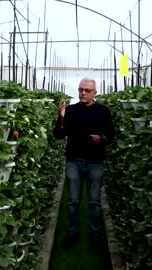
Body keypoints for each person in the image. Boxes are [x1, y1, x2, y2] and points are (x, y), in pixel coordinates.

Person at [53, 78, 115, 247]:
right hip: (74, 161)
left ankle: (94, 234)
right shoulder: (71, 111)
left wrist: (101, 139)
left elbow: (111, 135)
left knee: (94, 202)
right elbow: (58, 135)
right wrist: (60, 117)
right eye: (81, 90)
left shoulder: (103, 111)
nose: (83, 93)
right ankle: (72, 233)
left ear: (95, 93)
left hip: (96, 162)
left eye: (87, 90)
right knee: (73, 201)